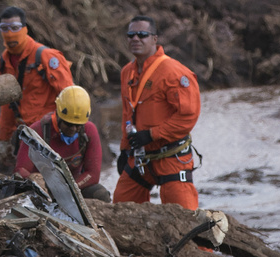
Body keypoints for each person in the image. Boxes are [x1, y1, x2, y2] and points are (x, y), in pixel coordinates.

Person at [113, 15, 201, 210]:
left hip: (171, 157)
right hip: (140, 157)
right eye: (131, 35)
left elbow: (188, 117)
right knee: (121, 208)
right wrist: (124, 148)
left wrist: (152, 134)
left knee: (185, 221)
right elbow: (128, 113)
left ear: (155, 39)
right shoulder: (127, 72)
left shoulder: (174, 72)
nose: (136, 39)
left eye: (142, 34)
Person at [0, 6, 73, 165]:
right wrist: (4, 139)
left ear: (25, 28)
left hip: (50, 132)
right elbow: (7, 106)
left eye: (15, 27)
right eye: (4, 28)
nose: (9, 33)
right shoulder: (3, 63)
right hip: (25, 133)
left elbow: (69, 95)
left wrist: (65, 129)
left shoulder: (46, 56)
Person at [15, 86, 110, 202]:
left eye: (78, 125)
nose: (74, 129)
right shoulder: (38, 131)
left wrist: (71, 188)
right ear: (59, 115)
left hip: (73, 186)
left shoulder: (89, 131)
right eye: (69, 124)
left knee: (101, 194)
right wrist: (35, 180)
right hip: (43, 188)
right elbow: (21, 169)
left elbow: (93, 174)